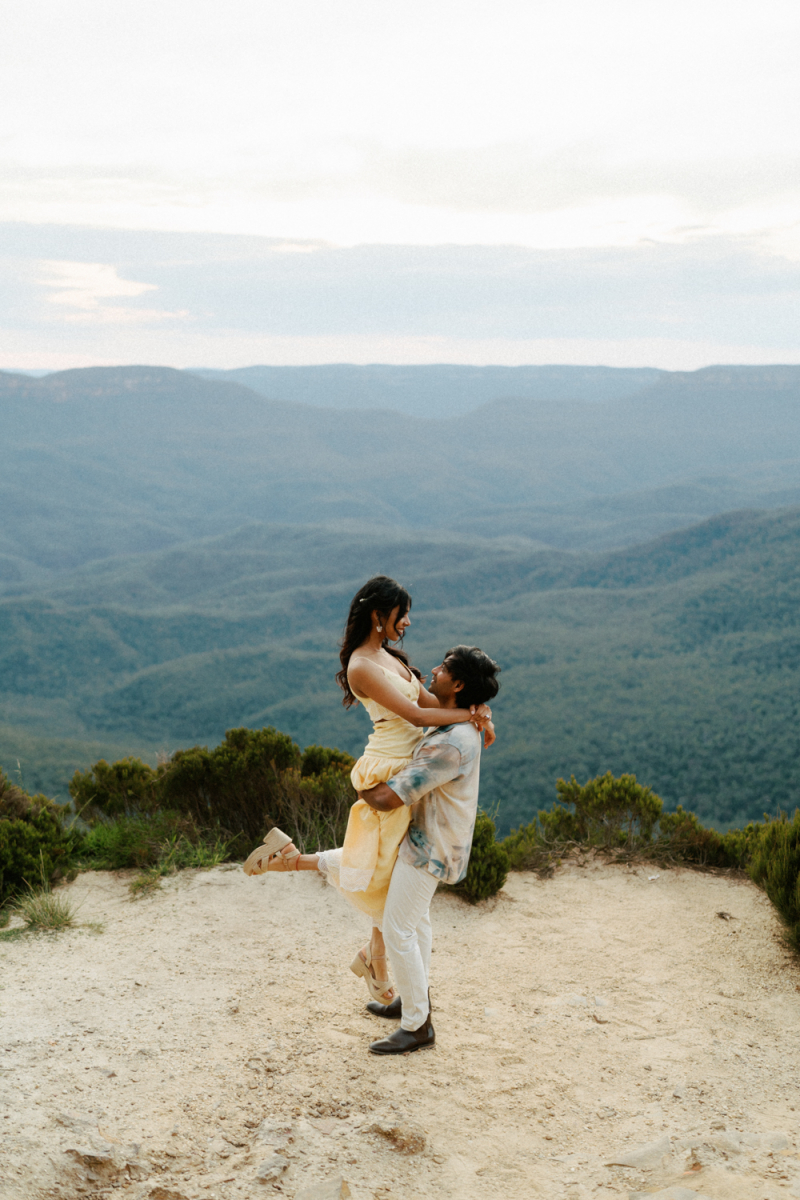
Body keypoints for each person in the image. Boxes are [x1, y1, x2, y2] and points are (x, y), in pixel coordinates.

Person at [243, 576, 494, 1007]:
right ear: (379, 616)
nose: (409, 622)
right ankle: (379, 964)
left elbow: (429, 706)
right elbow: (416, 716)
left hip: (407, 763)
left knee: (387, 870)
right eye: (402, 614)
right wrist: (469, 715)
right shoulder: (362, 666)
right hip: (388, 767)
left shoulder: (388, 656)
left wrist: (476, 712)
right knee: (382, 871)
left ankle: (300, 872)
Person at [358, 643, 500, 1054]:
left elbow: (390, 798)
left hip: (429, 848)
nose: (433, 671)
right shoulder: (455, 726)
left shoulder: (450, 743)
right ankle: (411, 1000)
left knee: (398, 926)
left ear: (456, 684)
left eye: (442, 668)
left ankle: (418, 1026)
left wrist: (361, 784)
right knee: (415, 924)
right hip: (432, 841)